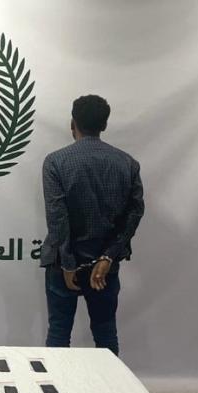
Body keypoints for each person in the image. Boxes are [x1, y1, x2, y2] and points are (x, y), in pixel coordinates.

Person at [40, 95, 144, 356]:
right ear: (104, 125)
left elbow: (57, 217)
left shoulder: (55, 162)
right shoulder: (127, 163)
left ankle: (57, 382)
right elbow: (134, 214)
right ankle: (110, 382)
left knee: (59, 332)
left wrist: (67, 263)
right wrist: (109, 256)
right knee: (105, 331)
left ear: (72, 123)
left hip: (63, 264)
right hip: (104, 266)